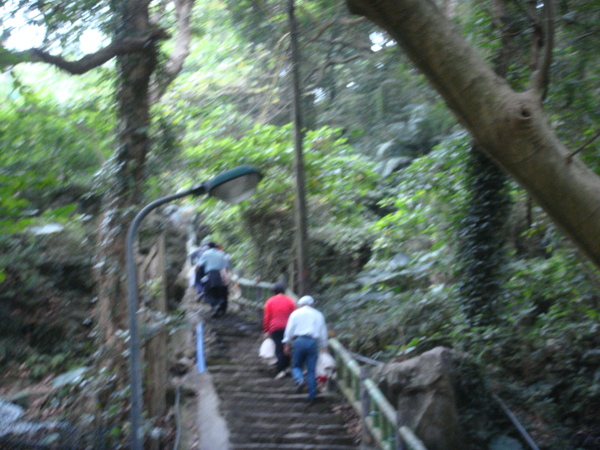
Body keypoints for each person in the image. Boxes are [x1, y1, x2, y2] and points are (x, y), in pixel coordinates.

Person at [282, 295, 328, 404]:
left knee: (296, 366)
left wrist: (286, 343)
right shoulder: (318, 314)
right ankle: (312, 396)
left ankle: (299, 379)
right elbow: (323, 332)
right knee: (312, 370)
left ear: (300, 304)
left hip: (299, 341)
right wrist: (324, 346)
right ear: (312, 305)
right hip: (312, 342)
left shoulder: (295, 314)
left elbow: (289, 330)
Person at [262, 283, 296, 379]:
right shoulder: (290, 301)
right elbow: (294, 315)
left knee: (278, 347)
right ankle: (287, 366)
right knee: (287, 346)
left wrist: (266, 330)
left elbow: (267, 317)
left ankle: (281, 369)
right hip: (288, 327)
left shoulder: (270, 301)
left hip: (275, 327)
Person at [196, 242, 230, 317]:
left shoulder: (206, 254)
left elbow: (199, 265)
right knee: (221, 291)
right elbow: (226, 267)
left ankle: (215, 305)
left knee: (209, 292)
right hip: (221, 275)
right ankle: (220, 306)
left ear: (209, 247)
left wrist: (196, 271)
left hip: (211, 275)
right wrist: (226, 277)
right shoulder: (221, 253)